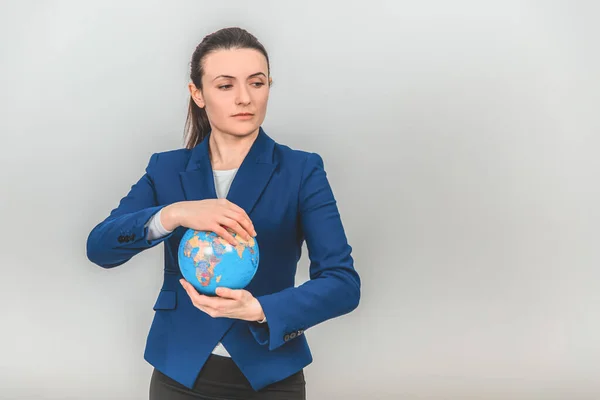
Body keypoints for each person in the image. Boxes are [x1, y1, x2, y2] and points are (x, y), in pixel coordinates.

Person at [86, 26, 361, 400]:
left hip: (270, 373)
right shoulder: (166, 170)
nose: (244, 98)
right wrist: (174, 213)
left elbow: (343, 283)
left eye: (257, 83)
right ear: (197, 94)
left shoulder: (301, 170)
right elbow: (100, 247)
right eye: (225, 85)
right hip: (179, 370)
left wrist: (261, 308)